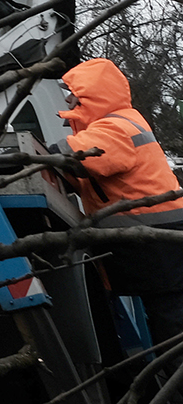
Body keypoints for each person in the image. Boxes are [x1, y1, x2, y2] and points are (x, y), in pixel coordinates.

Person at [53, 58, 183, 352]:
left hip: (152, 243)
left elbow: (72, 157)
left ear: (92, 94)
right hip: (157, 241)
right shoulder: (123, 121)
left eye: (74, 93)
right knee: (168, 320)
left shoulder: (112, 128)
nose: (69, 99)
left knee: (171, 326)